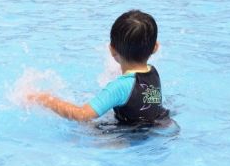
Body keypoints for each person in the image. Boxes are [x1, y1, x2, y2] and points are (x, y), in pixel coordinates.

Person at [26, 10, 170, 125]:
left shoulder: (119, 87)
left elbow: (82, 115)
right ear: (155, 48)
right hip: (157, 126)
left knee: (84, 128)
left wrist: (45, 99)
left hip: (126, 139)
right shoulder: (153, 72)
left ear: (112, 50)